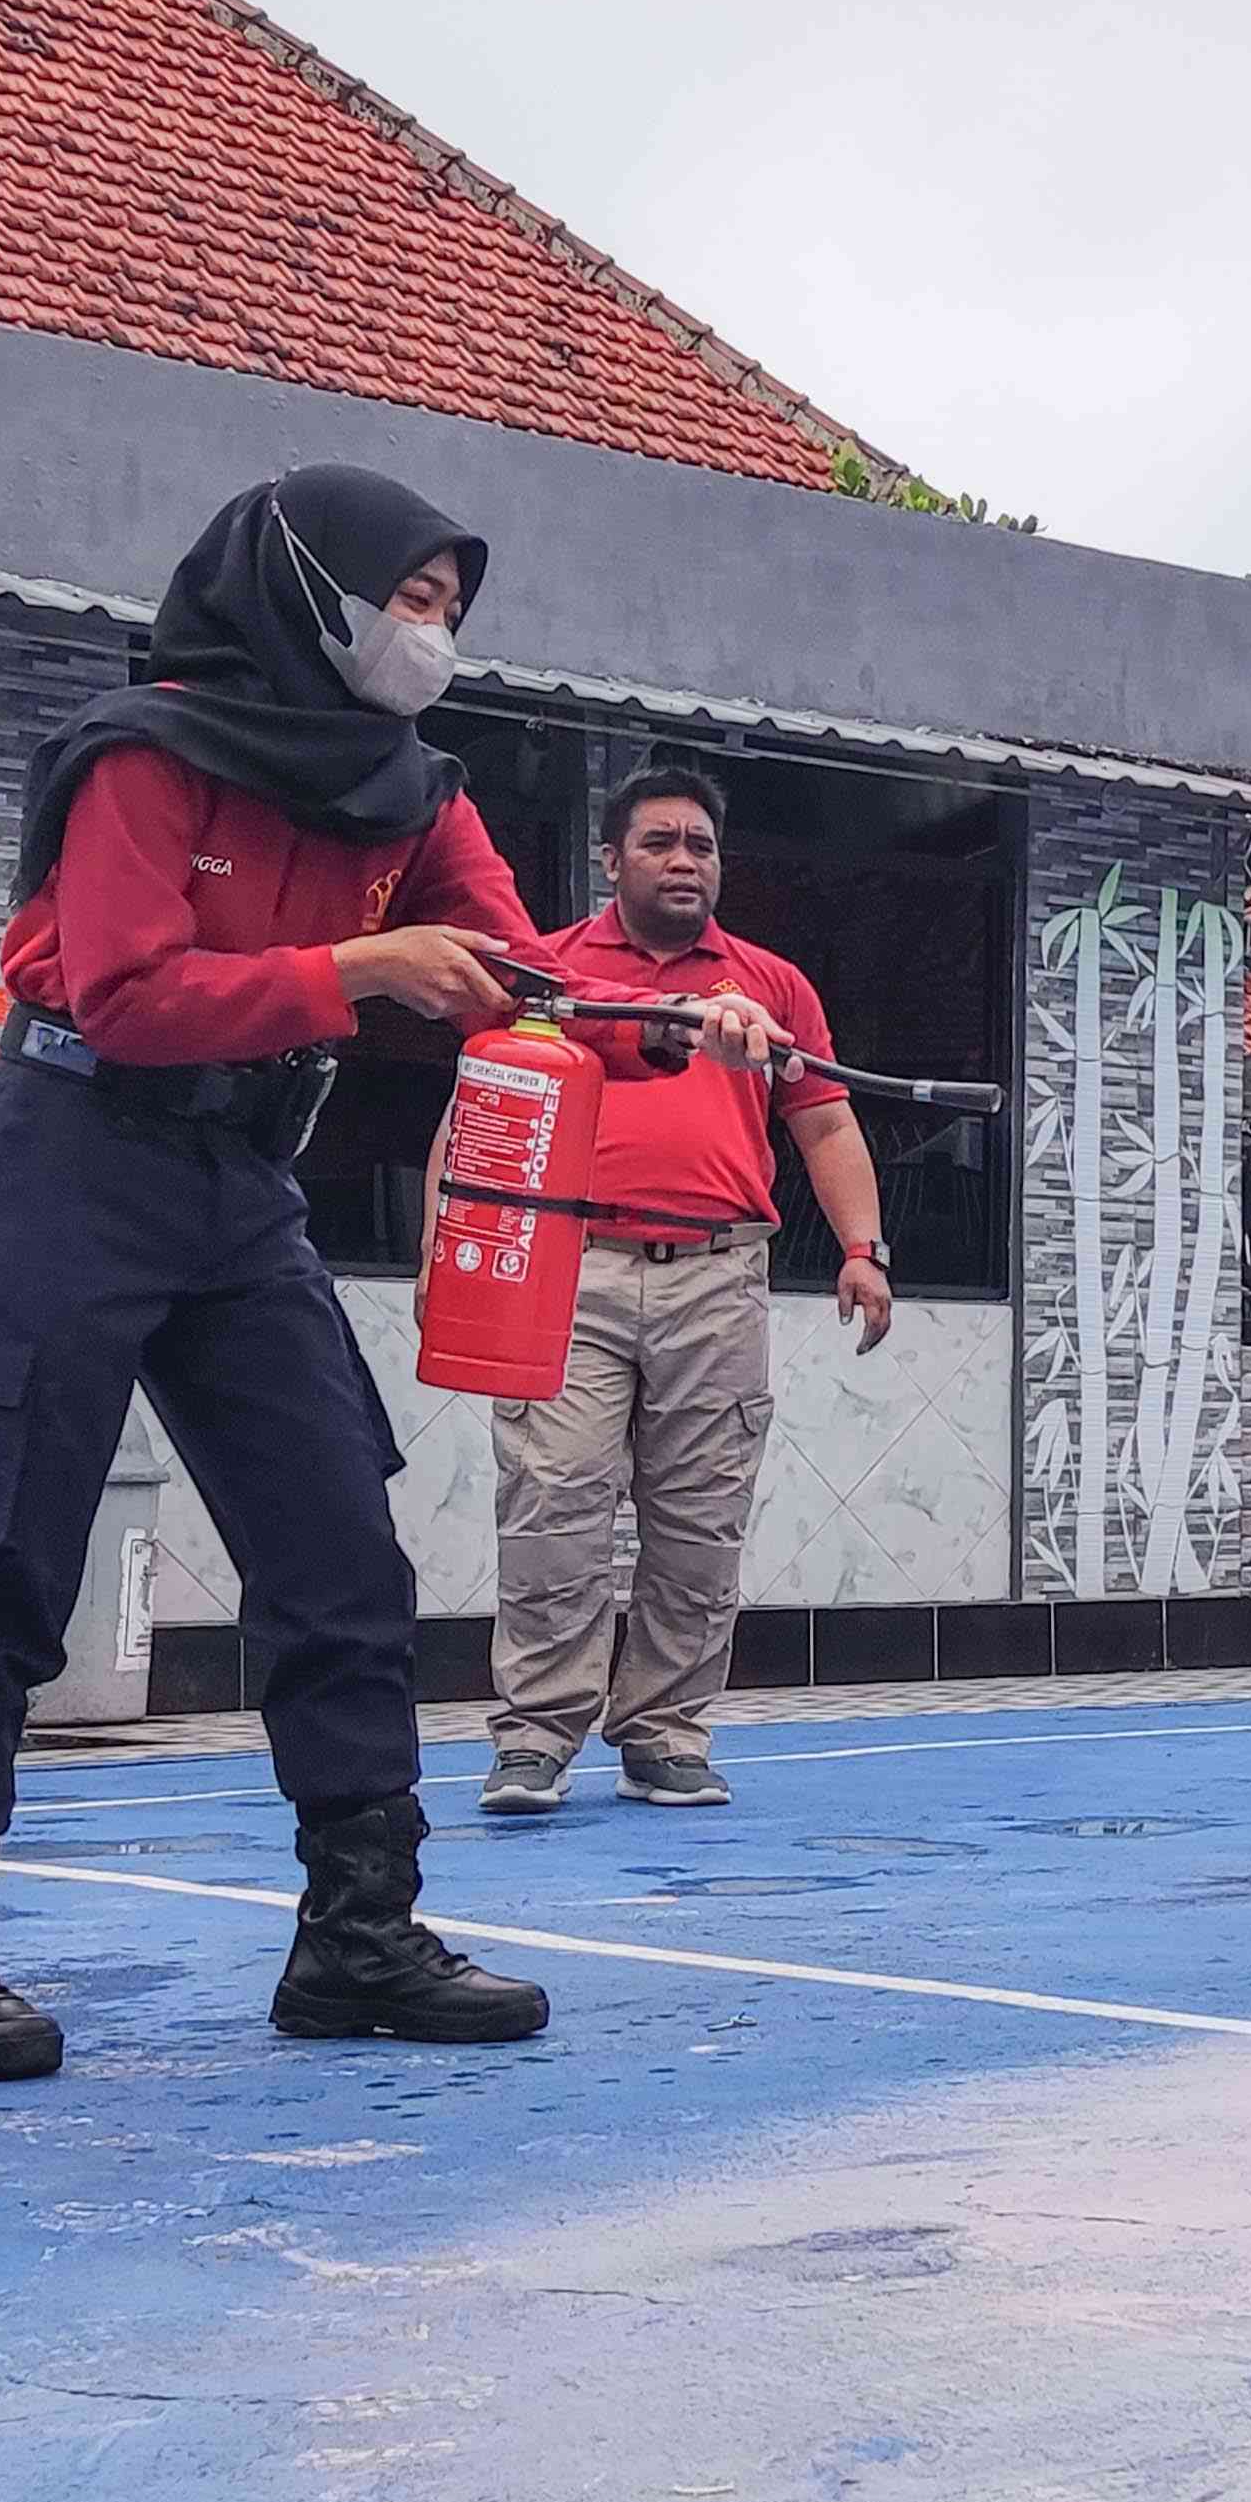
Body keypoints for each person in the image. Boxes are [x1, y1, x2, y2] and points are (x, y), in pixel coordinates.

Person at [0, 464, 633, 2085]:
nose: (427, 635)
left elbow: (516, 977)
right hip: (65, 1144)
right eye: (406, 599)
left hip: (235, 1175)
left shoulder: (413, 786)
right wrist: (351, 967)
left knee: (339, 1540)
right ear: (301, 586)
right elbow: (126, 993)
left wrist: (692, 1018)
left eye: (446, 609)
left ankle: (356, 1931)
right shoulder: (139, 761)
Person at [474, 757, 891, 1817]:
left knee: (700, 1523)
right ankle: (534, 1740)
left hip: (718, 1276)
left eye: (700, 845)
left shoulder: (770, 986)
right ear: (611, 858)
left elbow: (826, 1121)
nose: (681, 860)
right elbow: (486, 1116)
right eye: (658, 842)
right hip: (571, 1270)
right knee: (552, 1507)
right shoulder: (551, 972)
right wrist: (456, 1263)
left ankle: (664, 1732)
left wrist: (862, 1249)